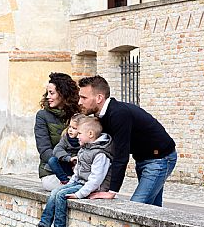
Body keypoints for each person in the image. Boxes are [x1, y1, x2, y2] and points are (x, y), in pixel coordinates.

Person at [77, 75, 177, 207]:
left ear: (99, 98)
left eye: (84, 97)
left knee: (136, 206)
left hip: (160, 159)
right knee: (152, 209)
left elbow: (120, 153)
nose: (79, 102)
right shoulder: (101, 115)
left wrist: (112, 191)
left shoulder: (118, 114)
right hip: (143, 159)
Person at [24, 117, 113, 227]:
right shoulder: (84, 149)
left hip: (92, 188)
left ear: (90, 134)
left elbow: (95, 179)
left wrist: (80, 194)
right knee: (55, 191)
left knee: (61, 195)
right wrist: (70, 183)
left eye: (80, 133)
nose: (77, 136)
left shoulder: (100, 154)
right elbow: (77, 172)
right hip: (80, 183)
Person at [34, 73, 80, 191]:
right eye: (47, 93)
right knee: (75, 189)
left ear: (63, 93)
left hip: (77, 170)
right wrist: (66, 159)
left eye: (52, 93)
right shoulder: (42, 116)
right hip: (52, 172)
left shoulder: (78, 116)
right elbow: (44, 150)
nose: (48, 96)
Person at [48, 113, 85, 185]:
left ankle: (78, 180)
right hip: (67, 162)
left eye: (74, 128)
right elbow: (57, 149)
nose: (70, 130)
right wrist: (69, 158)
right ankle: (65, 181)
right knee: (52, 160)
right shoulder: (65, 138)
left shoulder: (84, 140)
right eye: (70, 127)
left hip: (79, 166)